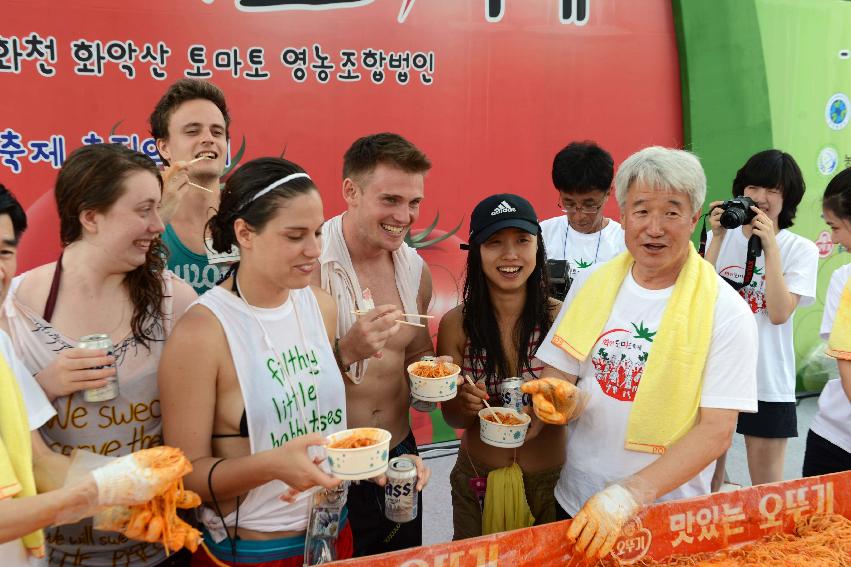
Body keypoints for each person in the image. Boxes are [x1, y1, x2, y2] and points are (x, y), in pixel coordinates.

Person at [525, 146, 758, 563]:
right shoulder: (593, 283)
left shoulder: (726, 311)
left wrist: (630, 494)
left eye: (671, 212)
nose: (654, 228)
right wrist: (560, 400)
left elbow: (717, 431)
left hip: (667, 511)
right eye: (641, 211)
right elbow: (558, 374)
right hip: (578, 495)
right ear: (623, 214)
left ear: (694, 216)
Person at [1, 144, 197, 567]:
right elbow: (29, 455)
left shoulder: (174, 298)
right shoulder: (15, 309)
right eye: (144, 210)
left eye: (158, 209)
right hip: (58, 554)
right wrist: (42, 387)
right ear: (90, 217)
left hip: (159, 550)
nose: (158, 226)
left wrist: (160, 515)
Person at [158, 157, 354, 566]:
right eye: (295, 235)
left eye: (317, 232)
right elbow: (183, 476)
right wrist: (270, 466)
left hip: (335, 532)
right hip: (252, 549)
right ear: (245, 233)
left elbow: (319, 418)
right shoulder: (203, 331)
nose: (314, 250)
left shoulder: (321, 306)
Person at [315, 132, 434, 556]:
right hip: (332, 459)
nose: (404, 216)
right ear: (351, 191)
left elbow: (416, 350)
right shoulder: (312, 264)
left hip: (400, 453)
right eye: (391, 200)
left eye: (414, 202)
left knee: (402, 560)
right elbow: (281, 382)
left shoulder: (414, 268)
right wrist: (345, 351)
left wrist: (435, 376)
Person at [437, 193, 563, 540]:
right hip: (478, 480)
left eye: (522, 241)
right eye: (494, 243)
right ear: (476, 252)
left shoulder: (561, 318)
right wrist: (462, 404)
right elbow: (453, 419)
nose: (510, 255)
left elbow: (578, 402)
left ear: (538, 246)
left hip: (554, 483)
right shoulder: (456, 323)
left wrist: (553, 407)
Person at [704, 149, 818, 488]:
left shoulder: (799, 249)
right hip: (717, 374)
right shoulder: (717, 236)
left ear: (789, 197)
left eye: (773, 190)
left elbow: (780, 313)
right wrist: (718, 238)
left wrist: (770, 247)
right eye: (754, 187)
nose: (761, 198)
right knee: (707, 485)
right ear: (741, 190)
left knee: (766, 491)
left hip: (766, 380)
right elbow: (699, 299)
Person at [150, 78, 233, 294]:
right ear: (164, 147)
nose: (208, 139)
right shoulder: (142, 221)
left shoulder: (248, 217)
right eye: (192, 131)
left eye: (217, 132)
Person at [802, 166, 851, 477]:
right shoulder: (844, 280)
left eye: (835, 228)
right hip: (835, 441)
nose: (832, 239)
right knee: (821, 526)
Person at [539, 141, 625, 297]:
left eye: (589, 205)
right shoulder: (542, 234)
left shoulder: (624, 243)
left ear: (608, 192)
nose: (579, 216)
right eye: (569, 203)